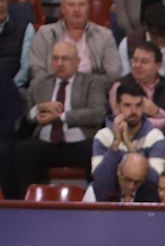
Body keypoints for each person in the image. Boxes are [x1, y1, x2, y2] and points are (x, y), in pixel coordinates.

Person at [8, 40, 105, 198]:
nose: (59, 63)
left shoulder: (92, 82)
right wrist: (38, 109)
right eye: (55, 58)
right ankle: (24, 204)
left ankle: (97, 202)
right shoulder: (40, 83)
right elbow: (25, 114)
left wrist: (62, 117)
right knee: (22, 150)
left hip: (79, 144)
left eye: (65, 58)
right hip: (46, 143)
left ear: (77, 62)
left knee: (95, 149)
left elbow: (97, 113)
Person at [27, 0, 116, 94]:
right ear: (62, 9)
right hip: (52, 91)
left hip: (91, 92)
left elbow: (113, 73)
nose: (77, 9)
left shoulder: (105, 35)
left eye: (82, 5)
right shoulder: (45, 33)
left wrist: (89, 87)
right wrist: (55, 87)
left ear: (88, 9)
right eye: (71, 5)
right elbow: (36, 68)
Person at [90, 81, 165, 197]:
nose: (133, 111)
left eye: (138, 105)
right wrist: (116, 144)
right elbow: (100, 180)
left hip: (144, 201)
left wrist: (130, 146)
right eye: (127, 105)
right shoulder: (103, 136)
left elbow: (155, 181)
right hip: (110, 201)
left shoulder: (155, 137)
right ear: (117, 106)